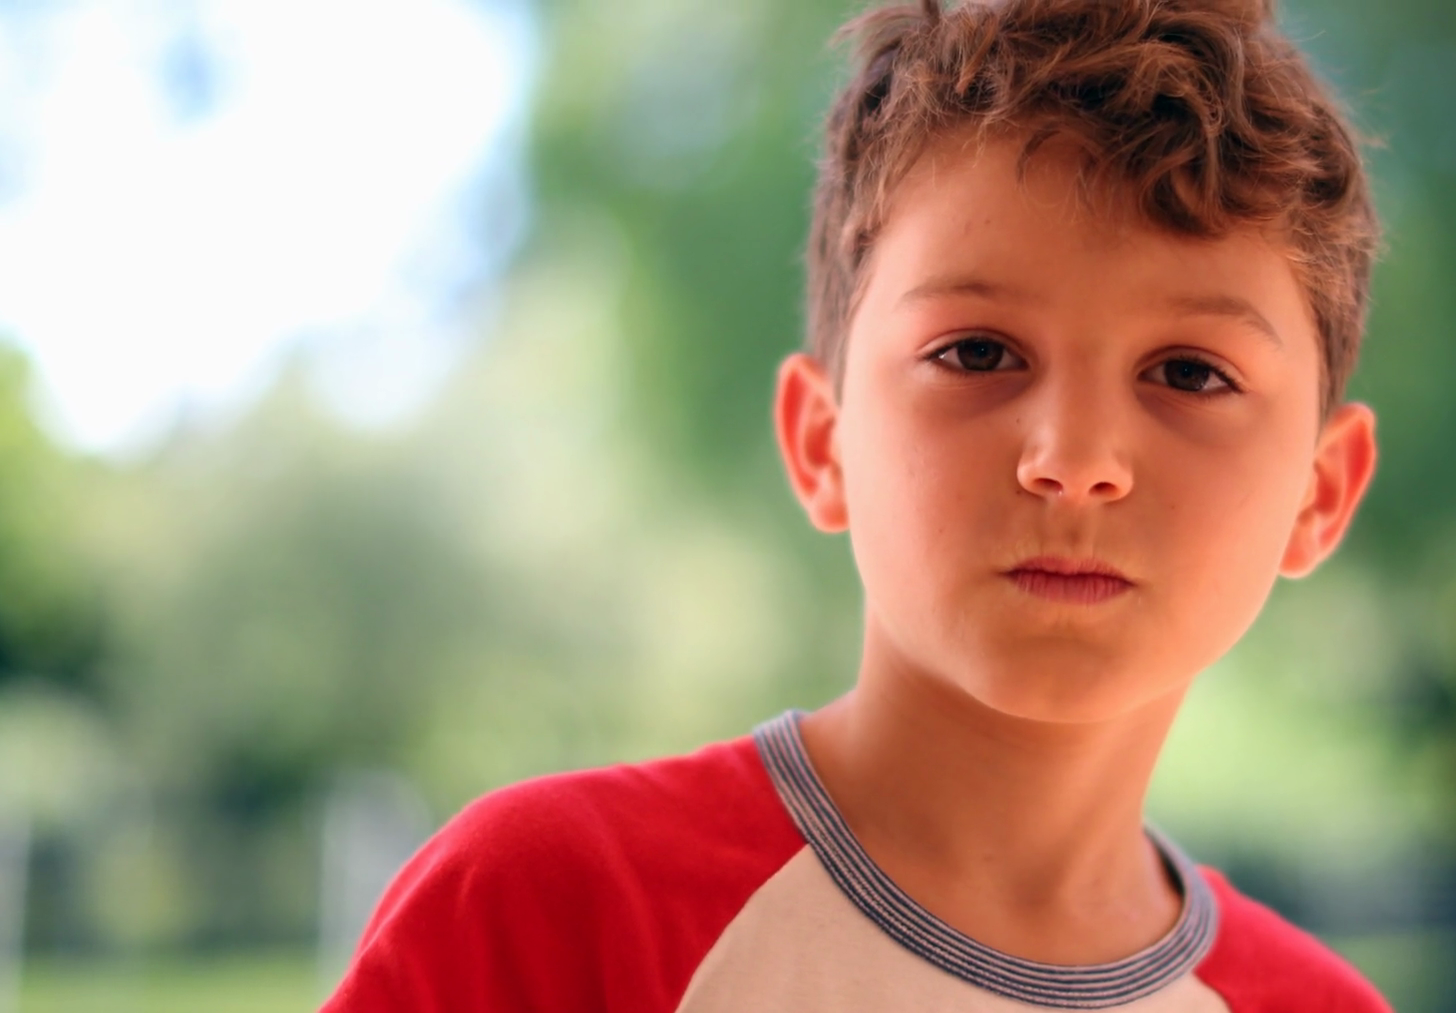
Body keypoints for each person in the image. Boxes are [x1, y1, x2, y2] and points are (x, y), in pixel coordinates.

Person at [323, 0, 1387, 1009]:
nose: (1073, 460)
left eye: (1191, 373)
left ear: (1322, 491)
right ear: (821, 441)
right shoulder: (550, 907)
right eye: (978, 353)